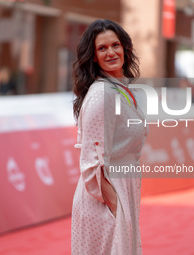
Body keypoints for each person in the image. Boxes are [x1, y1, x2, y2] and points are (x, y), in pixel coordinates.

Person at [71, 19, 148, 254]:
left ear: (125, 48)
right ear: (93, 56)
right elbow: (91, 162)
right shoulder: (102, 94)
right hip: (104, 200)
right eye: (102, 48)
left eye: (115, 45)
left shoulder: (121, 89)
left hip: (123, 189)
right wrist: (115, 207)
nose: (111, 52)